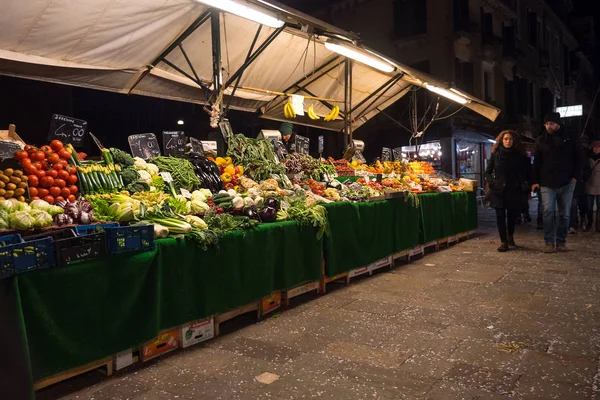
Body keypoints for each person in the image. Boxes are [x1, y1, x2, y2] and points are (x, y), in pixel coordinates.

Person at [531, 112, 583, 253]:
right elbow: (537, 162)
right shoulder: (541, 140)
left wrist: (575, 177)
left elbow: (579, 158)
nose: (549, 126)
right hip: (547, 182)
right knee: (547, 212)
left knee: (564, 214)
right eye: (546, 124)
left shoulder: (570, 138)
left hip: (567, 182)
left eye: (551, 123)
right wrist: (535, 181)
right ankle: (549, 242)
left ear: (558, 124)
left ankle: (561, 242)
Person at [485, 130, 529, 252]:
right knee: (499, 215)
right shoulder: (496, 154)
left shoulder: (519, 155)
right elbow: (488, 171)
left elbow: (526, 171)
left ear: (514, 141)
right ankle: (503, 241)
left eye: (510, 139)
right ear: (501, 140)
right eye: (505, 139)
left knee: (511, 215)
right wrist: (492, 183)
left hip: (514, 189)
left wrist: (522, 183)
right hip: (498, 189)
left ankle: (510, 236)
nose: (508, 141)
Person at [583, 140, 600, 232]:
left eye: (598, 147)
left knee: (599, 207)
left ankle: (598, 226)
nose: (596, 149)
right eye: (595, 147)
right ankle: (589, 223)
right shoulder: (587, 158)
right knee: (589, 207)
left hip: (599, 185)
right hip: (589, 184)